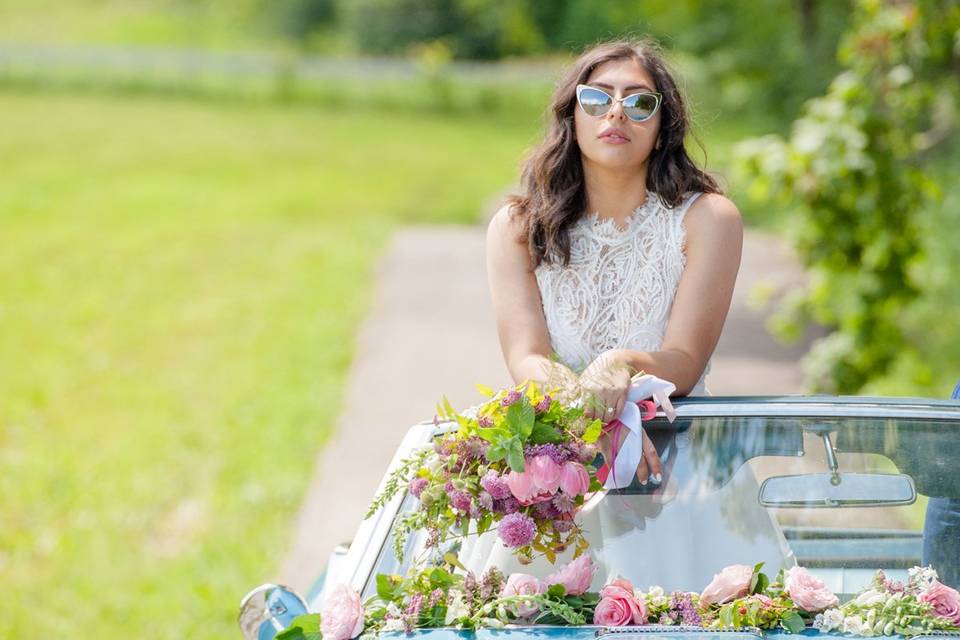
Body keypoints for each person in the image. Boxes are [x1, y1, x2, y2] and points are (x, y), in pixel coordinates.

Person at [486, 38, 743, 484]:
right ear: (572, 116)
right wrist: (592, 418)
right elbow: (525, 356)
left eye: (640, 102)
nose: (617, 111)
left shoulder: (709, 220)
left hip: (679, 467)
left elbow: (685, 361)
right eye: (597, 98)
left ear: (663, 127)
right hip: (561, 467)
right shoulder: (518, 228)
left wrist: (620, 362)